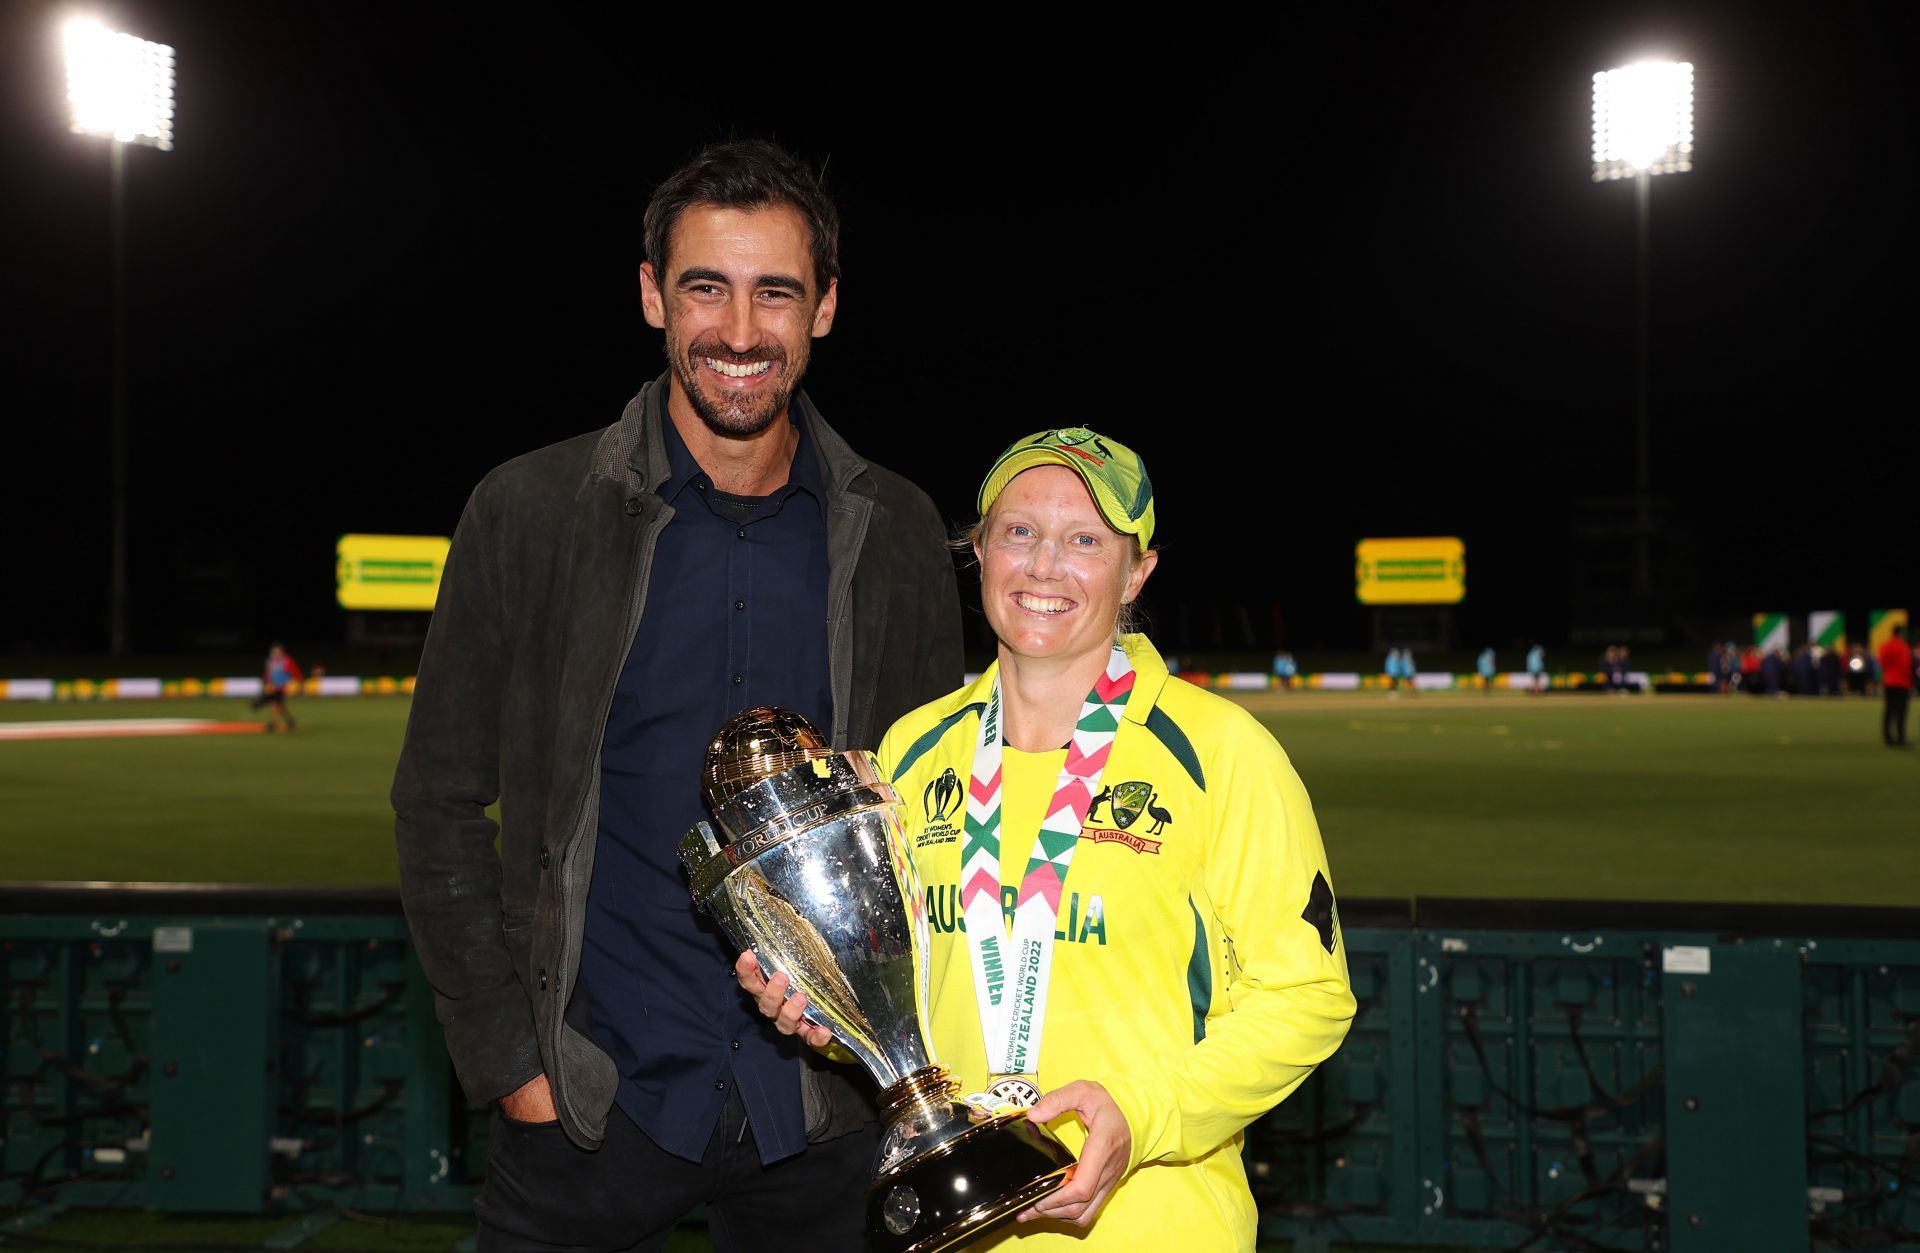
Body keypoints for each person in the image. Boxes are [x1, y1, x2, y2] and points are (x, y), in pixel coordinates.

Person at [390, 138, 964, 1252]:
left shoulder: (895, 529)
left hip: (828, 1112)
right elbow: (439, 802)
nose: (740, 331)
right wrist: (513, 1062)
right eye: (706, 286)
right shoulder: (529, 509)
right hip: (594, 1105)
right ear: (654, 294)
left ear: (826, 308)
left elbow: (930, 817)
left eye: (776, 293)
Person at [741, 427, 1356, 1250]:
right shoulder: (911, 752)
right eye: (1019, 531)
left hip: (1157, 1226)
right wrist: (834, 1013)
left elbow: (1307, 997)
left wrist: (1143, 1113)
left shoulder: (1220, 751)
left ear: (1137, 570)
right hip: (955, 1225)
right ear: (980, 550)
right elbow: (915, 995)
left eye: (1085, 540)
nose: (1043, 565)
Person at [250, 641, 302, 732]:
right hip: (273, 687)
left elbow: (295, 672)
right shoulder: (270, 661)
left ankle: (272, 723)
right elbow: (268, 674)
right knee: (279, 705)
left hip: (284, 686)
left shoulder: (287, 661)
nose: (275, 653)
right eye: (273, 652)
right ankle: (290, 721)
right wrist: (266, 683)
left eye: (277, 651)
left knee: (275, 703)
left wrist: (298, 684)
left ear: (281, 652)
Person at [1879, 624, 1912, 746]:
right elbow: (1905, 665)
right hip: (1901, 683)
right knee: (1901, 712)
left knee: (1889, 710)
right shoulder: (1902, 647)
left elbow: (1882, 663)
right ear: (1901, 633)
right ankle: (1901, 738)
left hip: (1889, 681)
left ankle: (1888, 738)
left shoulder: (1885, 646)